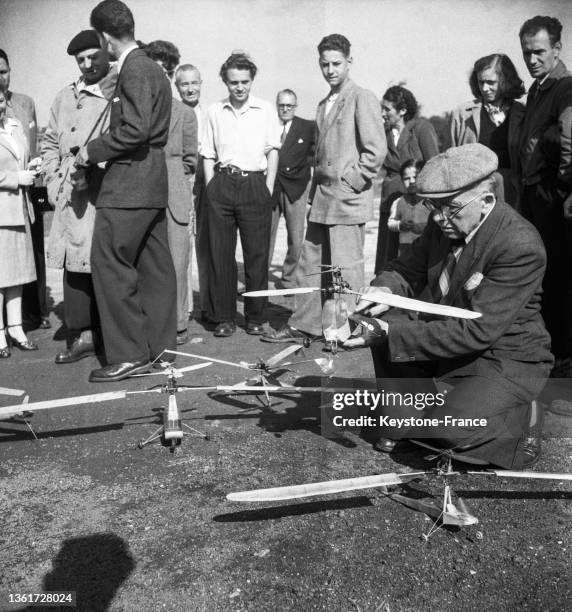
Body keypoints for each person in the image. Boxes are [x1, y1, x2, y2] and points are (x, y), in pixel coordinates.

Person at [344, 144, 553, 470]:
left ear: (485, 201)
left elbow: (477, 330)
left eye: (450, 208)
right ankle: (409, 420)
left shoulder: (519, 244)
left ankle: (521, 423)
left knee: (449, 430)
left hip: (501, 356)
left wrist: (391, 332)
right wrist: (381, 291)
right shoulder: (447, 222)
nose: (439, 218)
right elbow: (405, 269)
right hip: (452, 341)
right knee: (383, 315)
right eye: (433, 207)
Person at [262, 34, 386, 346]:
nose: (330, 70)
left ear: (349, 62)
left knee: (345, 270)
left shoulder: (362, 97)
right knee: (310, 265)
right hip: (321, 200)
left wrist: (351, 182)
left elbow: (375, 151)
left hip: (347, 200)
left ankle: (344, 330)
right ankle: (305, 325)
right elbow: (320, 157)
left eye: (336, 63)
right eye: (324, 64)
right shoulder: (321, 105)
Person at [75, 0, 176, 382]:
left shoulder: (132, 68)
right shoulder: (153, 67)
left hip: (129, 186)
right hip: (152, 183)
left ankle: (129, 355)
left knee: (110, 264)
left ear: (103, 37)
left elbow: (135, 129)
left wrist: (91, 150)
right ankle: (162, 352)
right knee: (155, 269)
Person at [42, 30, 117, 365]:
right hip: (68, 198)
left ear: (105, 54)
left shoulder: (117, 96)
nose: (87, 65)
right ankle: (82, 336)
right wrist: (52, 178)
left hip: (102, 197)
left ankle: (109, 337)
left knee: (102, 265)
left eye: (93, 57)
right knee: (73, 268)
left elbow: (123, 141)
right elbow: (47, 142)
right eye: (80, 59)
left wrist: (94, 167)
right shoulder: (63, 97)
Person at [202, 51, 280, 337]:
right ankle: (225, 318)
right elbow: (207, 154)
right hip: (222, 183)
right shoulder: (214, 111)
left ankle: (256, 317)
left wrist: (267, 187)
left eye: (245, 81)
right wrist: (211, 188)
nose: (239, 87)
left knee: (256, 255)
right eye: (234, 82)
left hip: (254, 184)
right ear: (225, 81)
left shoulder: (266, 110)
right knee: (221, 255)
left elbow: (273, 151)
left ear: (252, 80)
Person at [518, 16, 572, 378]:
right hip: (536, 194)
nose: (532, 59)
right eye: (526, 52)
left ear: (557, 48)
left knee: (561, 278)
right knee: (545, 276)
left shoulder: (565, 87)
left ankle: (565, 361)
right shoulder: (538, 89)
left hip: (555, 195)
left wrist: (567, 189)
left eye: (539, 51)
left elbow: (570, 140)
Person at [147, 42, 198, 346]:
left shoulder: (184, 114)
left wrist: (178, 186)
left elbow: (190, 160)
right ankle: (151, 324)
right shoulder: (136, 108)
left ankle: (179, 325)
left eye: (166, 70)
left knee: (178, 262)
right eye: (155, 69)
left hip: (174, 199)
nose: (161, 75)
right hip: (141, 198)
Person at [0, 48, 49, 330]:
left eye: (4, 72)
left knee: (33, 254)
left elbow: (31, 146)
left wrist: (36, 165)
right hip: (6, 194)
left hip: (29, 192)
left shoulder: (25, 103)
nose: (1, 79)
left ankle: (36, 311)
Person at [374, 85, 439, 274]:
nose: (383, 113)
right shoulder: (383, 133)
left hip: (418, 201)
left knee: (415, 251)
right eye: (382, 108)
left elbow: (434, 164)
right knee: (388, 251)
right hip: (390, 200)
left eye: (387, 109)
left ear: (402, 110)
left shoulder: (421, 128)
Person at [450, 53, 525, 207]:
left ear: (506, 80)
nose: (485, 88)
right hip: (473, 193)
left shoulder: (523, 113)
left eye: (491, 82)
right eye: (480, 82)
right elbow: (450, 159)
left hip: (511, 193)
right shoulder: (463, 113)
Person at [0, 88, 40, 356]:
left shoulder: (14, 126)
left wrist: (32, 165)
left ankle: (15, 327)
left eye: (1, 100)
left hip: (19, 208)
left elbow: (19, 160)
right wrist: (16, 179)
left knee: (17, 274)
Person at [269, 89, 315, 289]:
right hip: (271, 187)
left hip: (296, 187)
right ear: (276, 105)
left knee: (296, 238)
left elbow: (316, 154)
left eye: (289, 105)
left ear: (295, 107)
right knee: (263, 237)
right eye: (281, 105)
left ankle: (288, 280)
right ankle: (259, 278)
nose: (285, 109)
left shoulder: (307, 126)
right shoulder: (268, 124)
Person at [175, 64, 208, 322]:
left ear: (201, 83)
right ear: (177, 87)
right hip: (182, 186)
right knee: (182, 247)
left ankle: (208, 305)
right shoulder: (174, 115)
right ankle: (184, 308)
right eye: (184, 84)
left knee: (206, 247)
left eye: (194, 83)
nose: (190, 88)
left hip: (206, 187)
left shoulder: (210, 115)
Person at [387, 159, 429, 257]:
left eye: (415, 177)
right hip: (405, 249)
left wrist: (425, 226)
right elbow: (391, 222)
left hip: (426, 247)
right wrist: (400, 225)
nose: (412, 181)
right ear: (402, 180)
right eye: (407, 178)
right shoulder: (398, 202)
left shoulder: (430, 200)